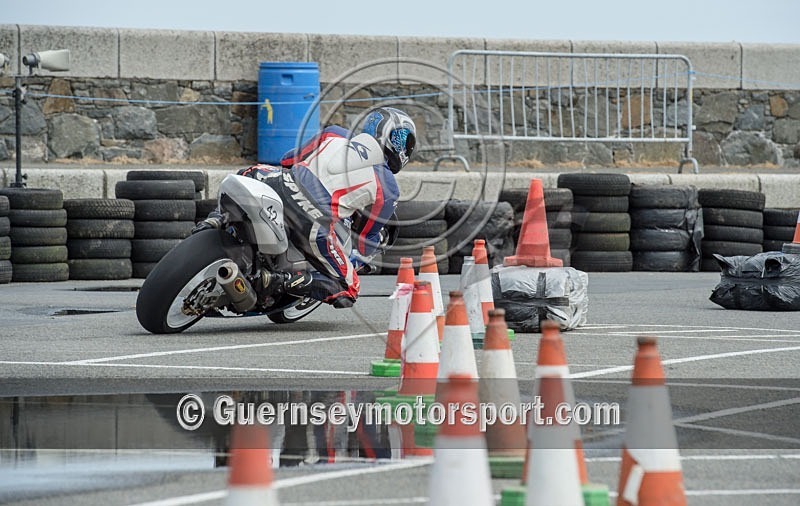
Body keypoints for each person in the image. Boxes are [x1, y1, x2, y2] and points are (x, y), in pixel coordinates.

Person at [195, 107, 416, 308]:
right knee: (349, 288)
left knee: (248, 173)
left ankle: (215, 219)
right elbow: (365, 240)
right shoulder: (388, 188)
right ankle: (277, 281)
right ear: (395, 139)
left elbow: (287, 159)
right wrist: (369, 250)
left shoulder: (335, 133)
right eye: (406, 142)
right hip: (311, 220)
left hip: (278, 182)